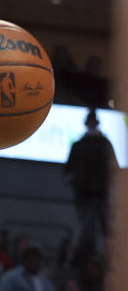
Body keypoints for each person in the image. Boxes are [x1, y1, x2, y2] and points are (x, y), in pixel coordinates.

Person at [64, 108, 117, 266]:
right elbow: (69, 168)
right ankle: (77, 259)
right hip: (84, 194)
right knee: (83, 228)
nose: (92, 125)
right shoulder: (79, 145)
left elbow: (112, 166)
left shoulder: (104, 144)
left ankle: (106, 260)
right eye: (90, 122)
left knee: (105, 229)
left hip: (100, 194)